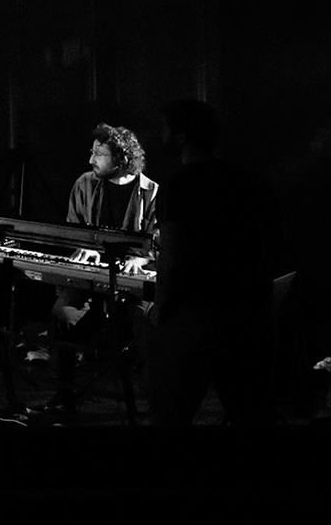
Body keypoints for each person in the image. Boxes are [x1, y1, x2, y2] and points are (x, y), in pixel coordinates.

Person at [147, 98, 281, 426]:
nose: (161, 134)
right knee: (249, 413)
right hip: (249, 312)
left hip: (196, 316)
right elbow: (270, 244)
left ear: (182, 136)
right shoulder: (250, 181)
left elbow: (174, 254)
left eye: (165, 128)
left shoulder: (178, 185)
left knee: (172, 413)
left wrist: (160, 307)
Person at [46, 124, 158, 407]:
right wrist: (85, 247)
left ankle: (153, 404)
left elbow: (160, 245)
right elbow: (74, 230)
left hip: (130, 283)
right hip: (92, 278)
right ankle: (64, 396)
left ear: (121, 159)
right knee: (61, 311)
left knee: (146, 321)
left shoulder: (152, 192)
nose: (91, 159)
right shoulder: (84, 183)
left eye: (99, 154)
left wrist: (140, 259)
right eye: (92, 152)